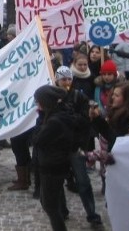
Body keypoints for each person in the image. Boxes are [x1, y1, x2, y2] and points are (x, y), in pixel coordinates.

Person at [55, 66, 103, 227]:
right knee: (58, 181)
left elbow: (85, 121)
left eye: (69, 79)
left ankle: (91, 214)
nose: (66, 82)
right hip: (58, 146)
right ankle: (62, 210)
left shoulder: (78, 97)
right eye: (63, 79)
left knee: (83, 181)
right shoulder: (52, 96)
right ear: (57, 80)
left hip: (75, 145)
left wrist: (70, 117)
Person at [32, 85, 75, 231]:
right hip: (53, 164)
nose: (37, 105)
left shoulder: (54, 121)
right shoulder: (59, 115)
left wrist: (40, 120)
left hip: (52, 166)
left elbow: (37, 139)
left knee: (50, 206)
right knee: (48, 202)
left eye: (38, 102)